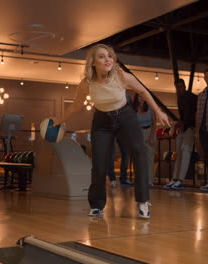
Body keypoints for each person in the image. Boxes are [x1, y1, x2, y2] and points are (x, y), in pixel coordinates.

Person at [56, 44, 169, 218]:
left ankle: (143, 200)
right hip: (102, 121)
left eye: (110, 56)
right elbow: (75, 106)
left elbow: (143, 91)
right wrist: (58, 121)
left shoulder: (121, 76)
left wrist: (159, 111)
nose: (107, 59)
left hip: (126, 118)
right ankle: (97, 204)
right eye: (102, 56)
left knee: (139, 154)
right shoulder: (87, 83)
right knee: (100, 164)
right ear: (93, 62)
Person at [164, 79, 197, 190]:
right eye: (177, 87)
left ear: (185, 86)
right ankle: (174, 179)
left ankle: (180, 180)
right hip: (184, 128)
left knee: (185, 152)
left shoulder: (192, 97)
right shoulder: (180, 99)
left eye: (181, 87)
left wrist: (184, 124)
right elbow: (183, 115)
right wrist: (179, 124)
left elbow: (194, 114)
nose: (179, 89)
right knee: (178, 154)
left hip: (191, 128)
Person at [132, 94, 157, 186]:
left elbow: (154, 122)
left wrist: (151, 136)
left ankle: (150, 181)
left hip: (150, 131)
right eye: (139, 96)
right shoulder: (134, 109)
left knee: (150, 158)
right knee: (139, 158)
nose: (141, 98)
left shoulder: (150, 107)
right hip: (139, 133)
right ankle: (140, 180)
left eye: (143, 96)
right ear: (136, 98)